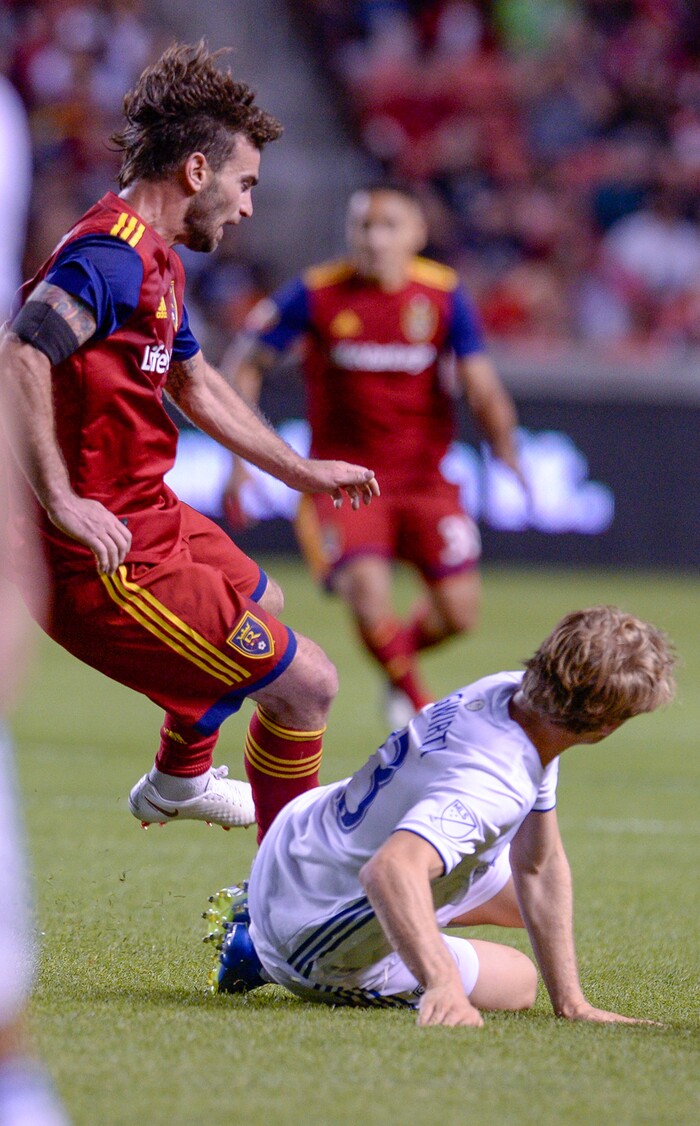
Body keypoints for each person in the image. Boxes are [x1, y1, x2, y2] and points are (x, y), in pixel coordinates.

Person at [0, 42, 379, 844]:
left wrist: (300, 470)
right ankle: (287, 898)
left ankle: (180, 777)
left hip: (150, 513)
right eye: (245, 184)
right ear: (198, 171)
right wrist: (62, 500)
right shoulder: (108, 259)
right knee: (309, 685)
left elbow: (195, 384)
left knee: (263, 600)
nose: (247, 208)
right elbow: (19, 356)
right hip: (103, 560)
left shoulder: (158, 260)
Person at [203, 605, 675, 1027]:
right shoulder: (494, 783)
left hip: (302, 837)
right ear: (605, 725)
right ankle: (258, 951)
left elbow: (539, 865)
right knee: (518, 981)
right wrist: (442, 982)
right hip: (311, 933)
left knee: (526, 901)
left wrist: (572, 1003)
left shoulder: (511, 694)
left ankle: (274, 909)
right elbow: (390, 871)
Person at [224, 183, 524, 727]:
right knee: (367, 593)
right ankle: (422, 710)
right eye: (364, 226)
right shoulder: (315, 293)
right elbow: (245, 363)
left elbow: (481, 383)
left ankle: (394, 659)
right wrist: (240, 458)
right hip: (345, 480)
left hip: (426, 480)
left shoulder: (443, 294)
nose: (374, 239)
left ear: (418, 234)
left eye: (389, 226)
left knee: (460, 614)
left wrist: (506, 445)